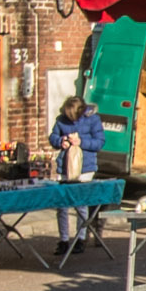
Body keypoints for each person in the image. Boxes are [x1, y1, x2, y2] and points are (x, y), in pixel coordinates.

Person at [47, 96, 104, 255]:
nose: (69, 119)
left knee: (81, 204)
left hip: (85, 167)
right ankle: (63, 240)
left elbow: (99, 142)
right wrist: (61, 141)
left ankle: (81, 238)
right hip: (65, 167)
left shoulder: (93, 120)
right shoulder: (61, 120)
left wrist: (81, 142)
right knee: (62, 205)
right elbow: (53, 137)